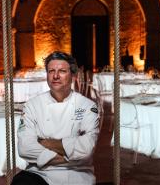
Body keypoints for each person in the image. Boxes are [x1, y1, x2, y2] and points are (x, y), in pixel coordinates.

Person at [11, 51, 100, 185]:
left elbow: (86, 148)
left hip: (77, 173)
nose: (56, 76)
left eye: (62, 71)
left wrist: (46, 143)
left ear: (73, 76)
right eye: (51, 71)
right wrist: (69, 154)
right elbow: (25, 147)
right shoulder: (32, 105)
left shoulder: (87, 106)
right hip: (40, 172)